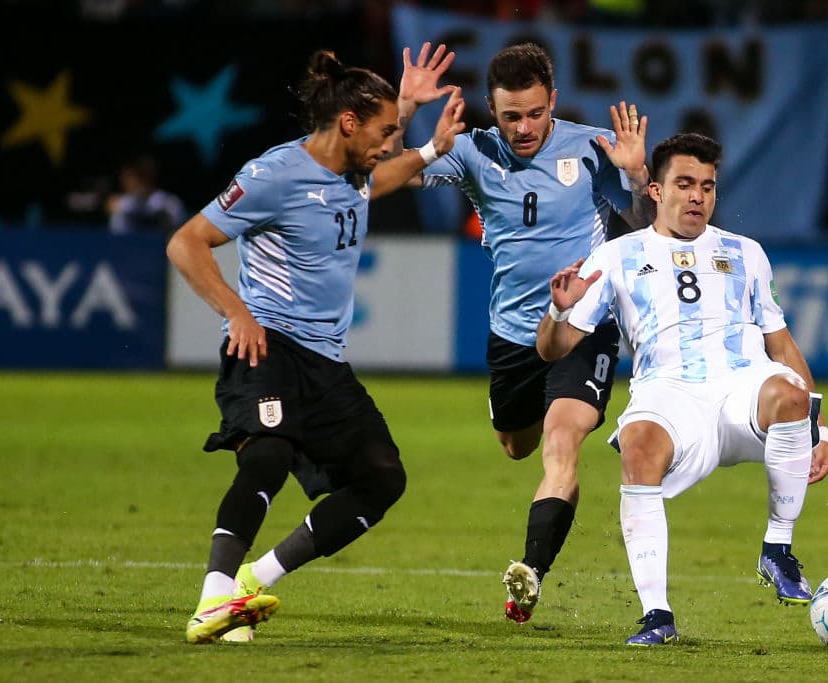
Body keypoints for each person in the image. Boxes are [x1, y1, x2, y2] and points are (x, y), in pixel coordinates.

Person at [166, 43, 465, 644]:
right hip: (267, 345)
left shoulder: (352, 174)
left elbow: (382, 176)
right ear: (348, 123)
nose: (392, 140)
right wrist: (238, 313)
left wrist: (423, 136)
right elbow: (186, 243)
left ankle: (256, 578)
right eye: (384, 129)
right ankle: (213, 599)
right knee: (268, 454)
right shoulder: (273, 175)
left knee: (383, 479)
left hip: (326, 363)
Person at [535, 132, 828, 646]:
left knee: (791, 395)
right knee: (639, 445)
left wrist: (820, 428)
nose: (698, 196)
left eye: (708, 186)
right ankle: (657, 616)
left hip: (742, 387)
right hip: (667, 391)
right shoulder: (615, 255)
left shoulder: (748, 253)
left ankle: (777, 550)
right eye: (686, 184)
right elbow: (553, 350)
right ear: (655, 190)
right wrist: (560, 309)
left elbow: (781, 344)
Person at [396, 42, 653, 623]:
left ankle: (529, 573)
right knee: (518, 446)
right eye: (511, 116)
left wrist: (636, 176)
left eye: (536, 114)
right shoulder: (469, 151)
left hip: (582, 326)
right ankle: (537, 518)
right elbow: (383, 168)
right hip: (512, 334)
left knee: (563, 445)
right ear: (492, 108)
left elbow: (644, 229)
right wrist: (407, 109)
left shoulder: (592, 147)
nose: (524, 127)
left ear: (553, 103)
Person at [108, 154, 187, 235]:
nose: (128, 182)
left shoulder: (170, 202)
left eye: (140, 175)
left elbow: (179, 233)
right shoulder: (119, 203)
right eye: (126, 177)